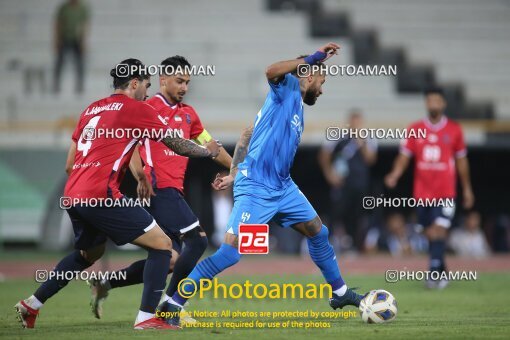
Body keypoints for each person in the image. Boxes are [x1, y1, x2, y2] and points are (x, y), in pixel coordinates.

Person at [155, 42, 367, 327]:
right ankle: (173, 304)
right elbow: (270, 70)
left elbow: (245, 136)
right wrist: (314, 57)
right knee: (229, 253)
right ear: (310, 74)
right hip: (256, 187)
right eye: (322, 81)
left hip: (282, 187)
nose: (322, 89)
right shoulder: (287, 86)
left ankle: (339, 293)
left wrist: (233, 171)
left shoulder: (292, 108)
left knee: (318, 230)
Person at [14, 58, 221, 330]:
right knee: (164, 248)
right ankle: (147, 318)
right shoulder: (136, 109)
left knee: (88, 255)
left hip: (74, 194)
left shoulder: (91, 109)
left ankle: (32, 304)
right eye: (145, 86)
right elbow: (178, 144)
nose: (146, 93)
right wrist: (209, 151)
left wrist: (129, 174)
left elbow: (69, 164)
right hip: (102, 194)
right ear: (134, 83)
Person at [87, 56, 232, 321]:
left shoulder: (189, 114)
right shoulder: (147, 107)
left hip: (174, 190)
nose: (184, 87)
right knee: (198, 240)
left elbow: (212, 147)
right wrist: (140, 175)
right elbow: (126, 144)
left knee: (169, 258)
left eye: (187, 82)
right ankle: (171, 306)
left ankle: (107, 282)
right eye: (179, 81)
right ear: (163, 80)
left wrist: (236, 171)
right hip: (157, 189)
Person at [385, 87, 475, 289]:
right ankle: (442, 269)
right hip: (422, 193)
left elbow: (462, 161)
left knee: (439, 229)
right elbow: (404, 157)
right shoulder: (415, 128)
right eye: (430, 100)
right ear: (426, 104)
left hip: (445, 192)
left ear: (443, 104)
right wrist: (395, 174)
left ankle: (433, 273)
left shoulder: (454, 130)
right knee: (428, 232)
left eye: (437, 100)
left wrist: (467, 188)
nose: (433, 104)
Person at [318, 110, 377, 251]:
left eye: (358, 122)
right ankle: (327, 244)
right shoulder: (338, 136)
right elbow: (323, 155)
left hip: (360, 184)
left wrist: (360, 142)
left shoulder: (368, 138)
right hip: (342, 183)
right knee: (336, 212)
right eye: (353, 121)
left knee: (357, 215)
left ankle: (355, 245)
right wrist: (329, 174)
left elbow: (371, 159)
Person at [53, 0, 89, 94]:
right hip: (64, 37)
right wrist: (57, 39)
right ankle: (56, 84)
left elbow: (85, 25)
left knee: (80, 63)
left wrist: (83, 41)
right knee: (60, 62)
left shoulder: (82, 9)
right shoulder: (64, 8)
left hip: (77, 39)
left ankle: (80, 85)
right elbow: (58, 23)